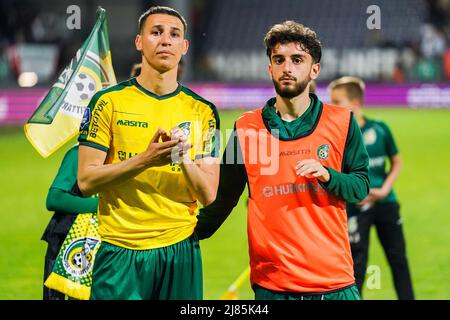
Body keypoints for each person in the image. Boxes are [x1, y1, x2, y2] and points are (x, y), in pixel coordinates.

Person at [195, 20, 369, 300]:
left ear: (315, 69)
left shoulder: (343, 122)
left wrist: (328, 175)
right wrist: (186, 235)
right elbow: (223, 199)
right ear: (270, 68)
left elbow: (360, 187)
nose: (287, 68)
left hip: (335, 283)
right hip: (274, 287)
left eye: (297, 60)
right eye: (279, 60)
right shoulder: (244, 129)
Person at [77, 6, 220, 300]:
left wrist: (183, 160)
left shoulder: (204, 112)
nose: (165, 40)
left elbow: (208, 195)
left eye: (174, 34)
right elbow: (86, 181)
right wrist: (146, 159)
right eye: (156, 32)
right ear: (139, 42)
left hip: (180, 249)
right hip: (120, 251)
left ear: (184, 47)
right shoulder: (107, 102)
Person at [328, 76, 415, 300]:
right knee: (356, 265)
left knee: (398, 259)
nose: (330, 106)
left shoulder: (380, 128)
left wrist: (385, 189)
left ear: (355, 104)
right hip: (356, 207)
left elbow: (396, 161)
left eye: (336, 101)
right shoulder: (334, 137)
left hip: (386, 203)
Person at [42, 144, 98, 300]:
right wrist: (101, 205)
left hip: (100, 240)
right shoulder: (77, 153)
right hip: (66, 240)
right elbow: (54, 199)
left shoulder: (121, 156)